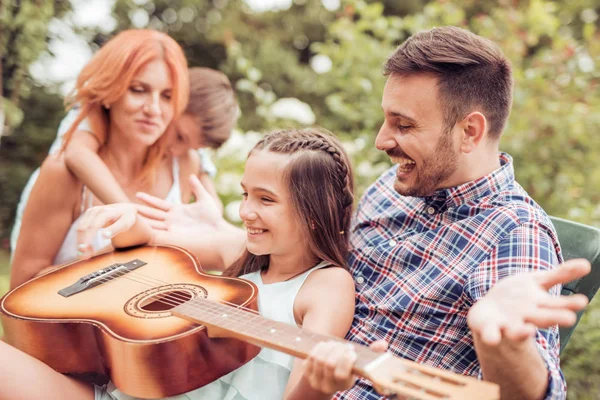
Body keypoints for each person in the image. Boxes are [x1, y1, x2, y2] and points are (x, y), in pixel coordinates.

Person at [125, 26, 590, 400]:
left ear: (469, 131)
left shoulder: (513, 233)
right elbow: (316, 257)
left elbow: (535, 394)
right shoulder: (395, 187)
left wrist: (502, 343)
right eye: (387, 118)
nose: (381, 141)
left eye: (403, 125)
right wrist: (225, 234)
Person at [0, 128, 357, 400]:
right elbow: (151, 246)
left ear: (315, 212)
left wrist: (320, 385)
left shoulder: (327, 285)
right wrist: (127, 220)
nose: (245, 211)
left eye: (266, 199)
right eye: (246, 193)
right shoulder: (239, 249)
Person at [8, 28, 193, 289]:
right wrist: (112, 261)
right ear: (109, 92)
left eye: (167, 96)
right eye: (138, 90)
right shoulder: (63, 173)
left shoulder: (182, 166)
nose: (153, 109)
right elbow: (20, 289)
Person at [9, 66, 238, 254]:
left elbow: (209, 205)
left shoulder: (187, 159)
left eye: (191, 148)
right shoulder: (94, 117)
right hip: (47, 220)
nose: (178, 150)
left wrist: (213, 219)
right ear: (170, 102)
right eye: (179, 136)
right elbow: (78, 154)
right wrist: (131, 218)